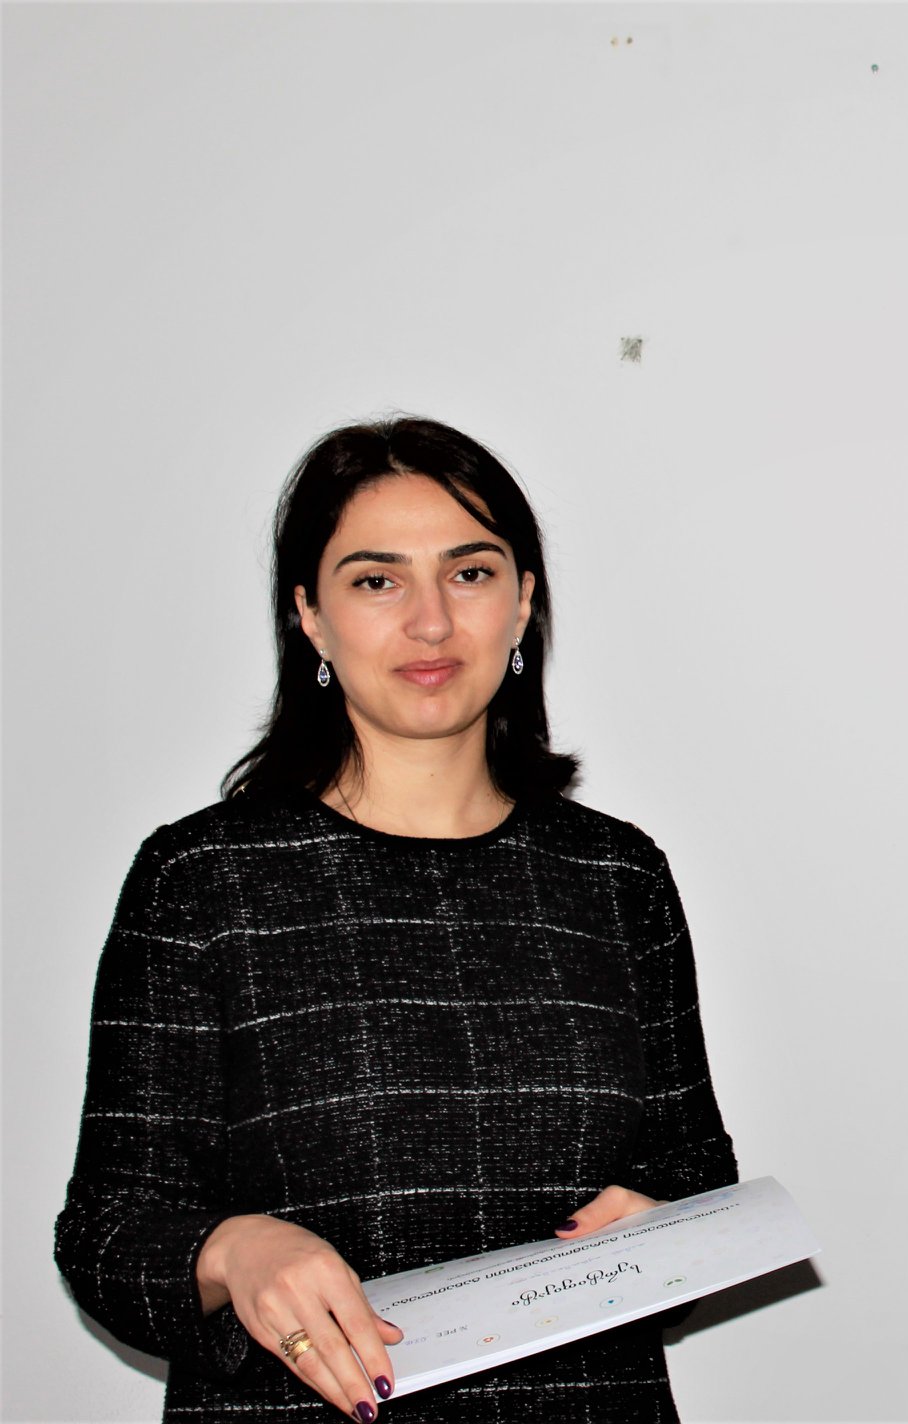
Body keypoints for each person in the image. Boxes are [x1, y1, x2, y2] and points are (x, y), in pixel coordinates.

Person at [56, 417, 736, 1422]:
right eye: (377, 580)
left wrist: (668, 1230)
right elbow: (109, 1231)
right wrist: (234, 1248)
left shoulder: (616, 874)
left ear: (523, 602)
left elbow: (694, 1168)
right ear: (310, 615)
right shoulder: (200, 879)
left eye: (470, 573)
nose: (431, 622)